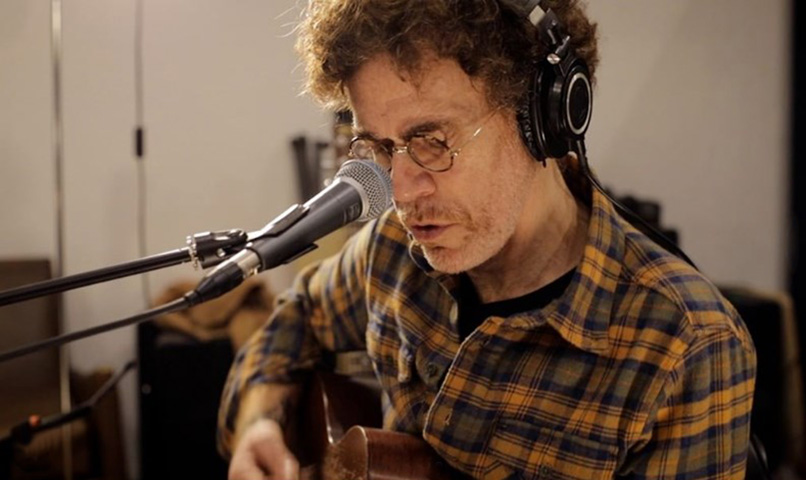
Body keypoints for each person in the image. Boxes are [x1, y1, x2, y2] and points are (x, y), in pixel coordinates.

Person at [217, 0, 757, 478]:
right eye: (380, 147)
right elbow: (295, 317)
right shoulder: (390, 251)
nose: (400, 193)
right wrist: (259, 422)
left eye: (431, 140)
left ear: (540, 121)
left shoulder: (685, 345)